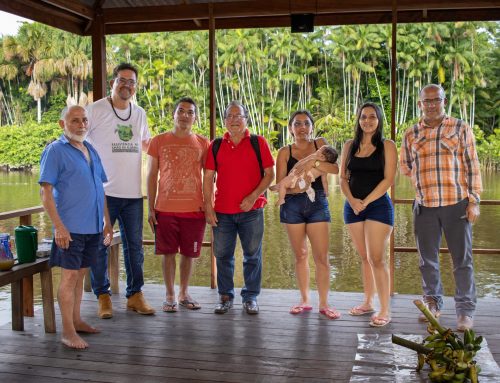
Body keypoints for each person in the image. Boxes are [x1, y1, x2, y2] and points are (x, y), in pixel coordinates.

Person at [400, 84, 482, 331]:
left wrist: (474, 200)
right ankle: (433, 304)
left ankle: (465, 311)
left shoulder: (459, 127)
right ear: (420, 104)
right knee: (427, 260)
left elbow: (472, 165)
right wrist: (419, 180)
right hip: (424, 206)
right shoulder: (411, 133)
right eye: (427, 101)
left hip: (456, 204)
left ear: (444, 101)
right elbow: (405, 165)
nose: (432, 104)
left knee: (462, 260)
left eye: (437, 100)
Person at [39, 106, 113, 349]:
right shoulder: (55, 151)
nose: (81, 124)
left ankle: (77, 320)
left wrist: (107, 221)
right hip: (69, 229)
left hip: (92, 227)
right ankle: (67, 331)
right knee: (69, 277)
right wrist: (59, 227)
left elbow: (99, 188)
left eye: (84, 120)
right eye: (75, 120)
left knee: (81, 275)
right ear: (63, 124)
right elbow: (45, 192)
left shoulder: (90, 149)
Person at [86, 63, 155, 318]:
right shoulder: (96, 110)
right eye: (122, 80)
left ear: (135, 86)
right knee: (100, 245)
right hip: (104, 193)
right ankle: (102, 296)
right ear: (113, 82)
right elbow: (75, 133)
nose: (126, 85)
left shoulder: (139, 114)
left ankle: (135, 295)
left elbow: (147, 144)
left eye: (131, 82)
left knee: (135, 247)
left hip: (133, 195)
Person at [203, 100, 275, 315]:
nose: (234, 120)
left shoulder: (258, 142)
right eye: (230, 116)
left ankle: (250, 297)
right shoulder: (216, 145)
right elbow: (208, 178)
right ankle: (225, 296)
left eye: (238, 116)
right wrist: (208, 206)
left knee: (252, 255)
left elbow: (270, 174)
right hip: (222, 212)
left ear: (246, 119)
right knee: (223, 255)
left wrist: (253, 196)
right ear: (224, 121)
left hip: (251, 212)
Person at [275, 110, 340, 319]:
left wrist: (315, 165)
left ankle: (324, 304)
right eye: (297, 124)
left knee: (321, 257)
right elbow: (281, 182)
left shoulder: (320, 144)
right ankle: (304, 300)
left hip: (317, 204)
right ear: (291, 128)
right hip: (292, 205)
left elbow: (335, 168)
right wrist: (298, 187)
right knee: (301, 255)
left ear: (311, 127)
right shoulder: (285, 152)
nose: (302, 127)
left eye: (305, 123)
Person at [146, 97, 209, 313]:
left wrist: (209, 206)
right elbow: (151, 175)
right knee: (168, 253)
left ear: (195, 117)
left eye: (190, 112)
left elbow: (209, 177)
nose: (185, 115)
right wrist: (150, 207)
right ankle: (170, 295)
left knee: (189, 254)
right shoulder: (159, 141)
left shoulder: (203, 142)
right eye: (181, 111)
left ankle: (184, 293)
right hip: (165, 208)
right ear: (174, 114)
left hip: (194, 209)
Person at [339, 102, 397, 328]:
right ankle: (368, 302)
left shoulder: (387, 145)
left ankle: (385, 309)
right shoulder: (349, 146)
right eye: (364, 117)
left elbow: (388, 180)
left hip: (378, 206)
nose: (368, 121)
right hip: (352, 207)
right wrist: (353, 201)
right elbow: (343, 178)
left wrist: (366, 201)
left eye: (372, 117)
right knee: (364, 258)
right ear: (358, 120)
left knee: (377, 258)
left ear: (379, 119)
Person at [271, 145, 338, 206]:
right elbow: (324, 181)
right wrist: (326, 192)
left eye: (319, 150)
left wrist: (326, 191)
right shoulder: (322, 167)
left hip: (301, 180)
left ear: (322, 157)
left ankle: (281, 198)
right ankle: (280, 189)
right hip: (299, 179)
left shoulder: (317, 162)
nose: (317, 150)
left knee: (284, 184)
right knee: (284, 184)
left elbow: (325, 181)